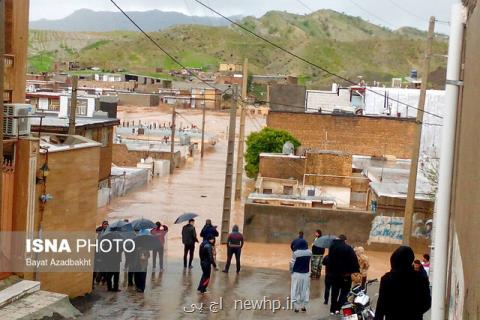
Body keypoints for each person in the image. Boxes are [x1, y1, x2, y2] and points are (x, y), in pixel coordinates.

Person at [374, 246, 431, 320]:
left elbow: (380, 307)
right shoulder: (421, 279)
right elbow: (427, 303)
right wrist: (415, 313)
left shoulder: (387, 279)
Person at [328, 234, 360, 315]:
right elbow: (354, 261)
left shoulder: (332, 247)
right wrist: (354, 270)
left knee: (334, 292)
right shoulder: (348, 248)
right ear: (344, 241)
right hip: (345, 276)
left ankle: (332, 309)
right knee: (344, 292)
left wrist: (330, 272)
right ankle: (338, 308)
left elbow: (330, 261)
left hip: (334, 275)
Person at [290, 238, 312, 313]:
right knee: (305, 290)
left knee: (295, 289)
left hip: (296, 274)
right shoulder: (310, 252)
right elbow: (310, 264)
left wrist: (291, 271)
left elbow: (292, 264)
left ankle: (296, 307)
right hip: (306, 274)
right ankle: (303, 306)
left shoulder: (295, 253)